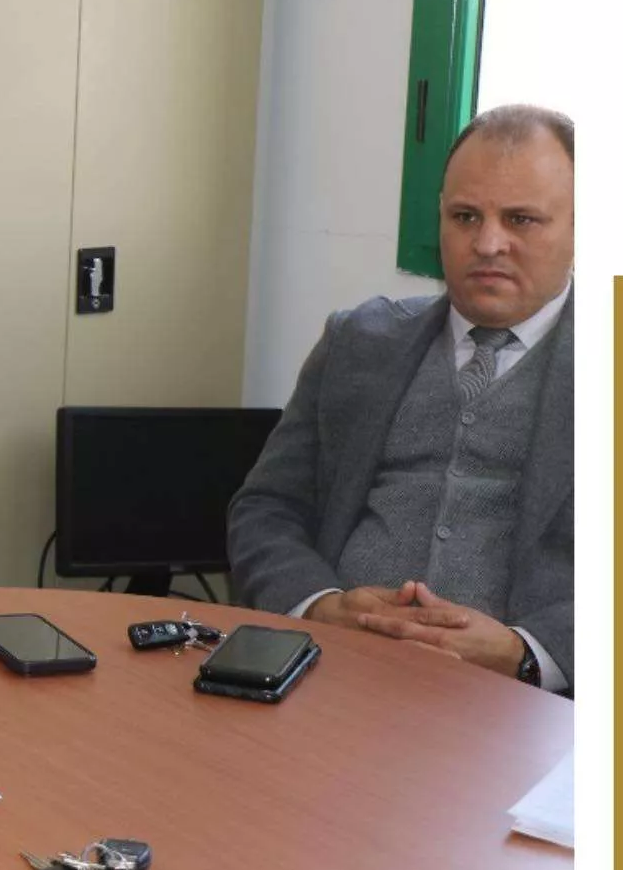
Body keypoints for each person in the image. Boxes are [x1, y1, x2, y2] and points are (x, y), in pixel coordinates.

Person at [228, 105, 574, 693]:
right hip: (331, 679)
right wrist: (319, 606)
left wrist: (526, 654)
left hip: (525, 712)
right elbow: (265, 508)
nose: (488, 243)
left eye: (521, 220)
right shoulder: (358, 342)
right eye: (465, 216)